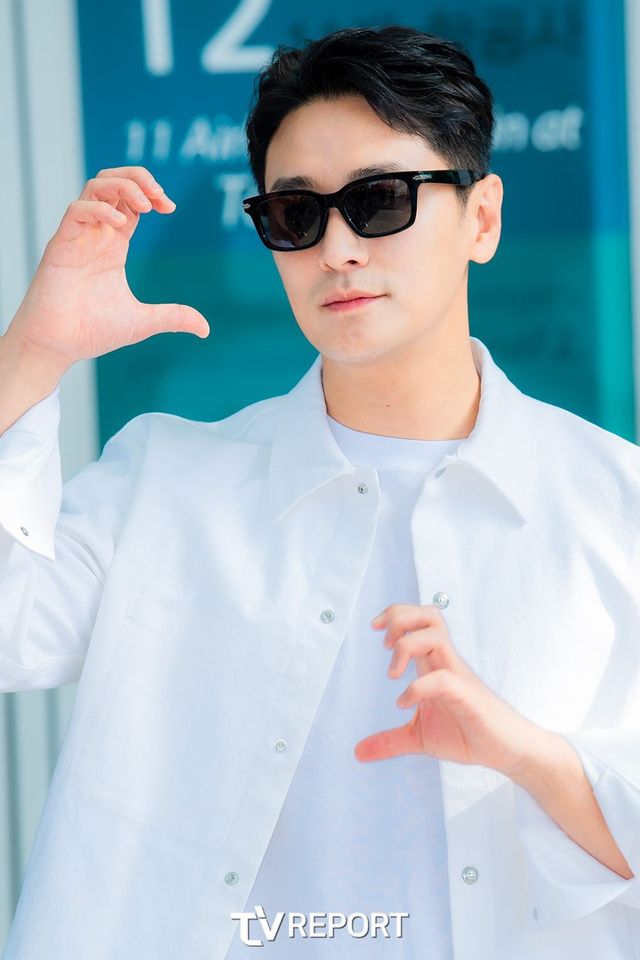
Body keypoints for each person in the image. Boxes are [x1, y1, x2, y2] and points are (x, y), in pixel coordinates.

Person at [0, 23, 639, 960]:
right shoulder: (164, 484)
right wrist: (31, 352)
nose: (337, 248)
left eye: (380, 200)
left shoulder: (618, 507)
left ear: (483, 218)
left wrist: (527, 753)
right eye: (296, 214)